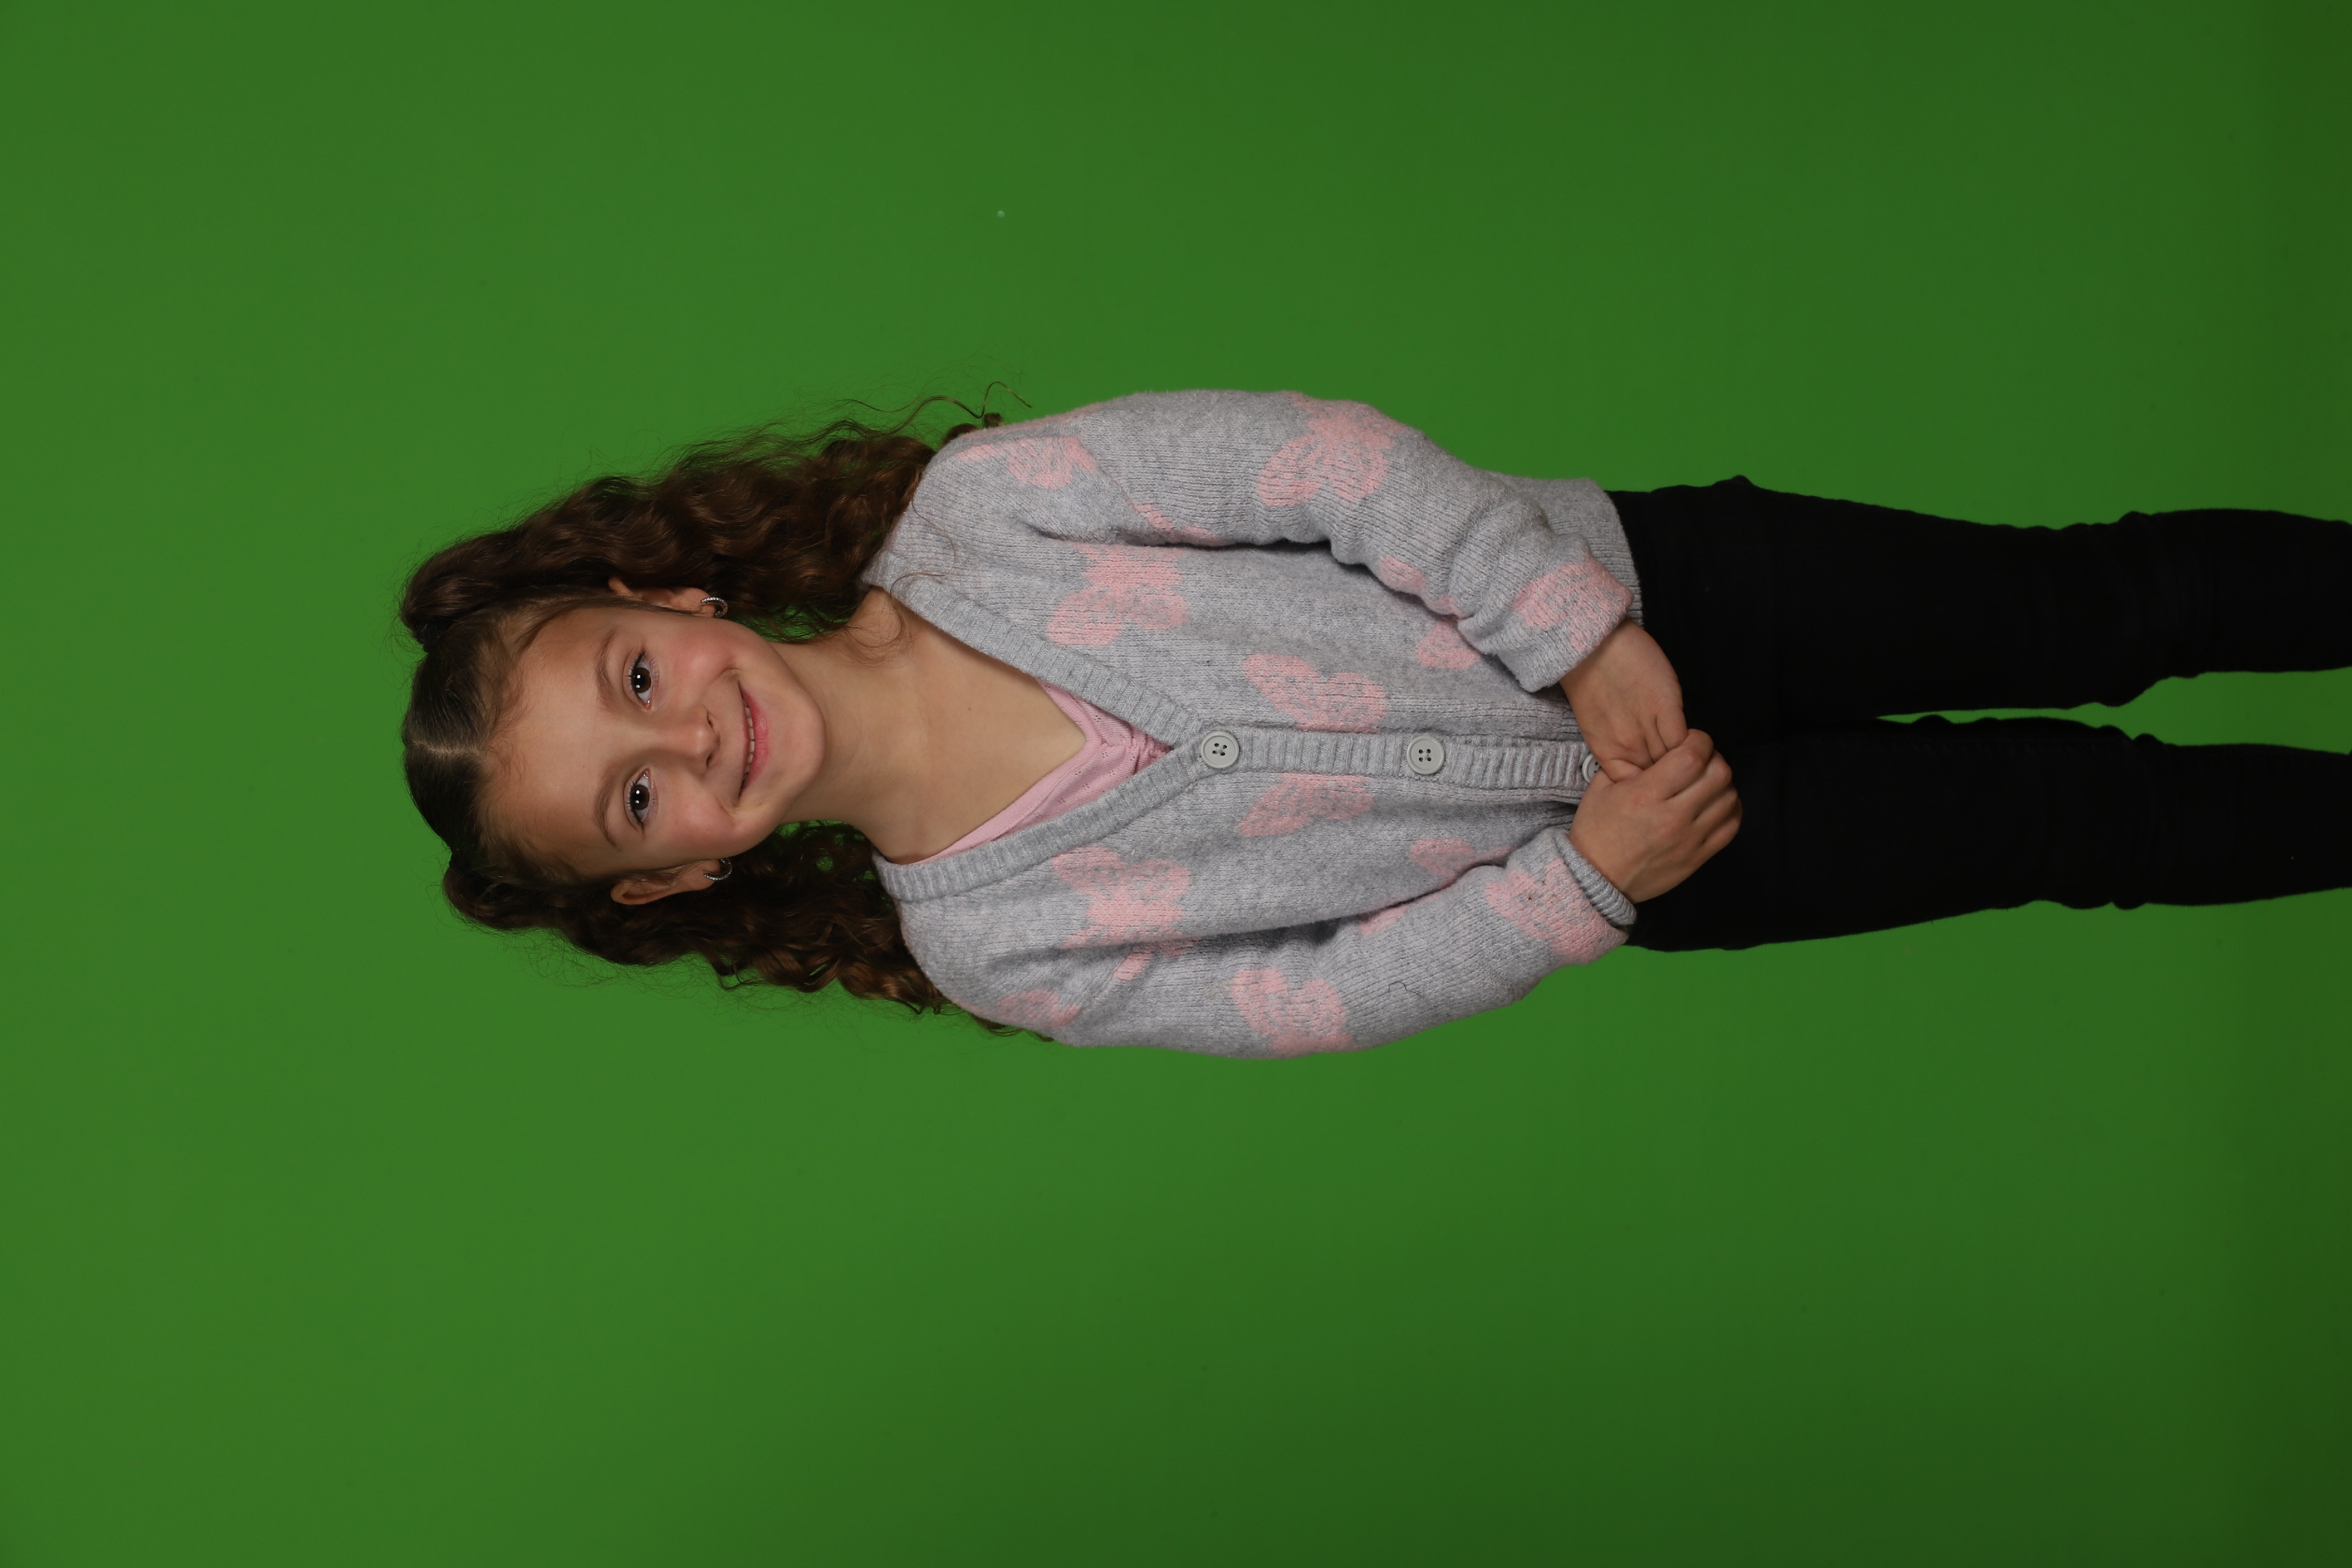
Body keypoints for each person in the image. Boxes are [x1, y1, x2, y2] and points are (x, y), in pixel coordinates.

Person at [399, 390, 2352, 1055]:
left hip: (1668, 587)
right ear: (679, 880)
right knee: (2091, 828)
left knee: (2101, 610)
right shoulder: (997, 948)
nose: (686, 745)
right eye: (635, 803)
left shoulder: (991, 509)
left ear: (672, 602)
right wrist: (1587, 883)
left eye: (632, 682)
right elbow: (1313, 996)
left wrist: (1575, 632)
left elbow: (1322, 463)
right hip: (1669, 855)